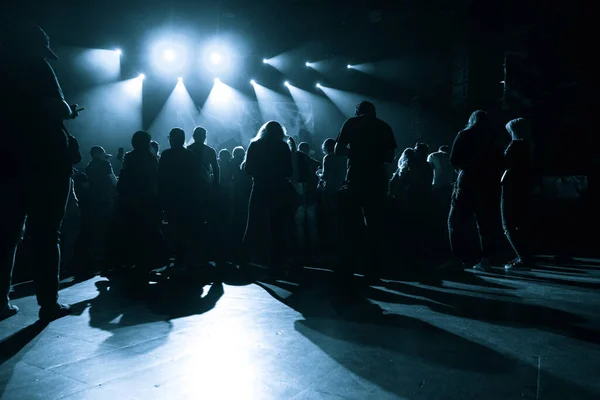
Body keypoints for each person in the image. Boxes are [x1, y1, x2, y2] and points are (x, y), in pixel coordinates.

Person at [0, 24, 81, 321]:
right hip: (45, 163)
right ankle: (48, 303)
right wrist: (68, 111)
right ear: (34, 46)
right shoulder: (37, 67)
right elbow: (54, 106)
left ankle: (1, 299)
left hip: (7, 162)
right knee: (46, 234)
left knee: (6, 234)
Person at [335, 101, 397, 283]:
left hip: (355, 178)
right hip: (377, 180)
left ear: (358, 111)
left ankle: (348, 269)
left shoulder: (351, 123)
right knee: (375, 225)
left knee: (351, 225)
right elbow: (389, 157)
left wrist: (356, 153)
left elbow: (339, 150)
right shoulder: (384, 126)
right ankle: (373, 270)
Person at [447, 110, 506, 270]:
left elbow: (453, 159)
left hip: (467, 182)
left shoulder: (464, 135)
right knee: (486, 224)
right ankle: (486, 260)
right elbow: (502, 162)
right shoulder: (494, 138)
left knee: (456, 221)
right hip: (489, 184)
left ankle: (457, 260)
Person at [243, 121, 294, 275]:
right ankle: (276, 264)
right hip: (278, 189)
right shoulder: (282, 146)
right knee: (277, 227)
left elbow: (247, 169)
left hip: (259, 187)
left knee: (252, 224)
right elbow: (289, 171)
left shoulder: (255, 145)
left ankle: (245, 260)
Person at [158, 128, 201, 267]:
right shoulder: (190, 155)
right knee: (187, 226)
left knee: (173, 225)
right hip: (188, 197)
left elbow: (161, 178)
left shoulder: (166, 155)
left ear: (172, 139)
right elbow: (196, 178)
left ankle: (176, 254)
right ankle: (185, 255)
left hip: (171, 197)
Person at [501, 118, 534, 270]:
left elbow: (503, 164)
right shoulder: (528, 146)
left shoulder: (515, 146)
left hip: (510, 187)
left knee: (508, 223)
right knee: (520, 222)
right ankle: (523, 254)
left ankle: (522, 257)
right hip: (522, 187)